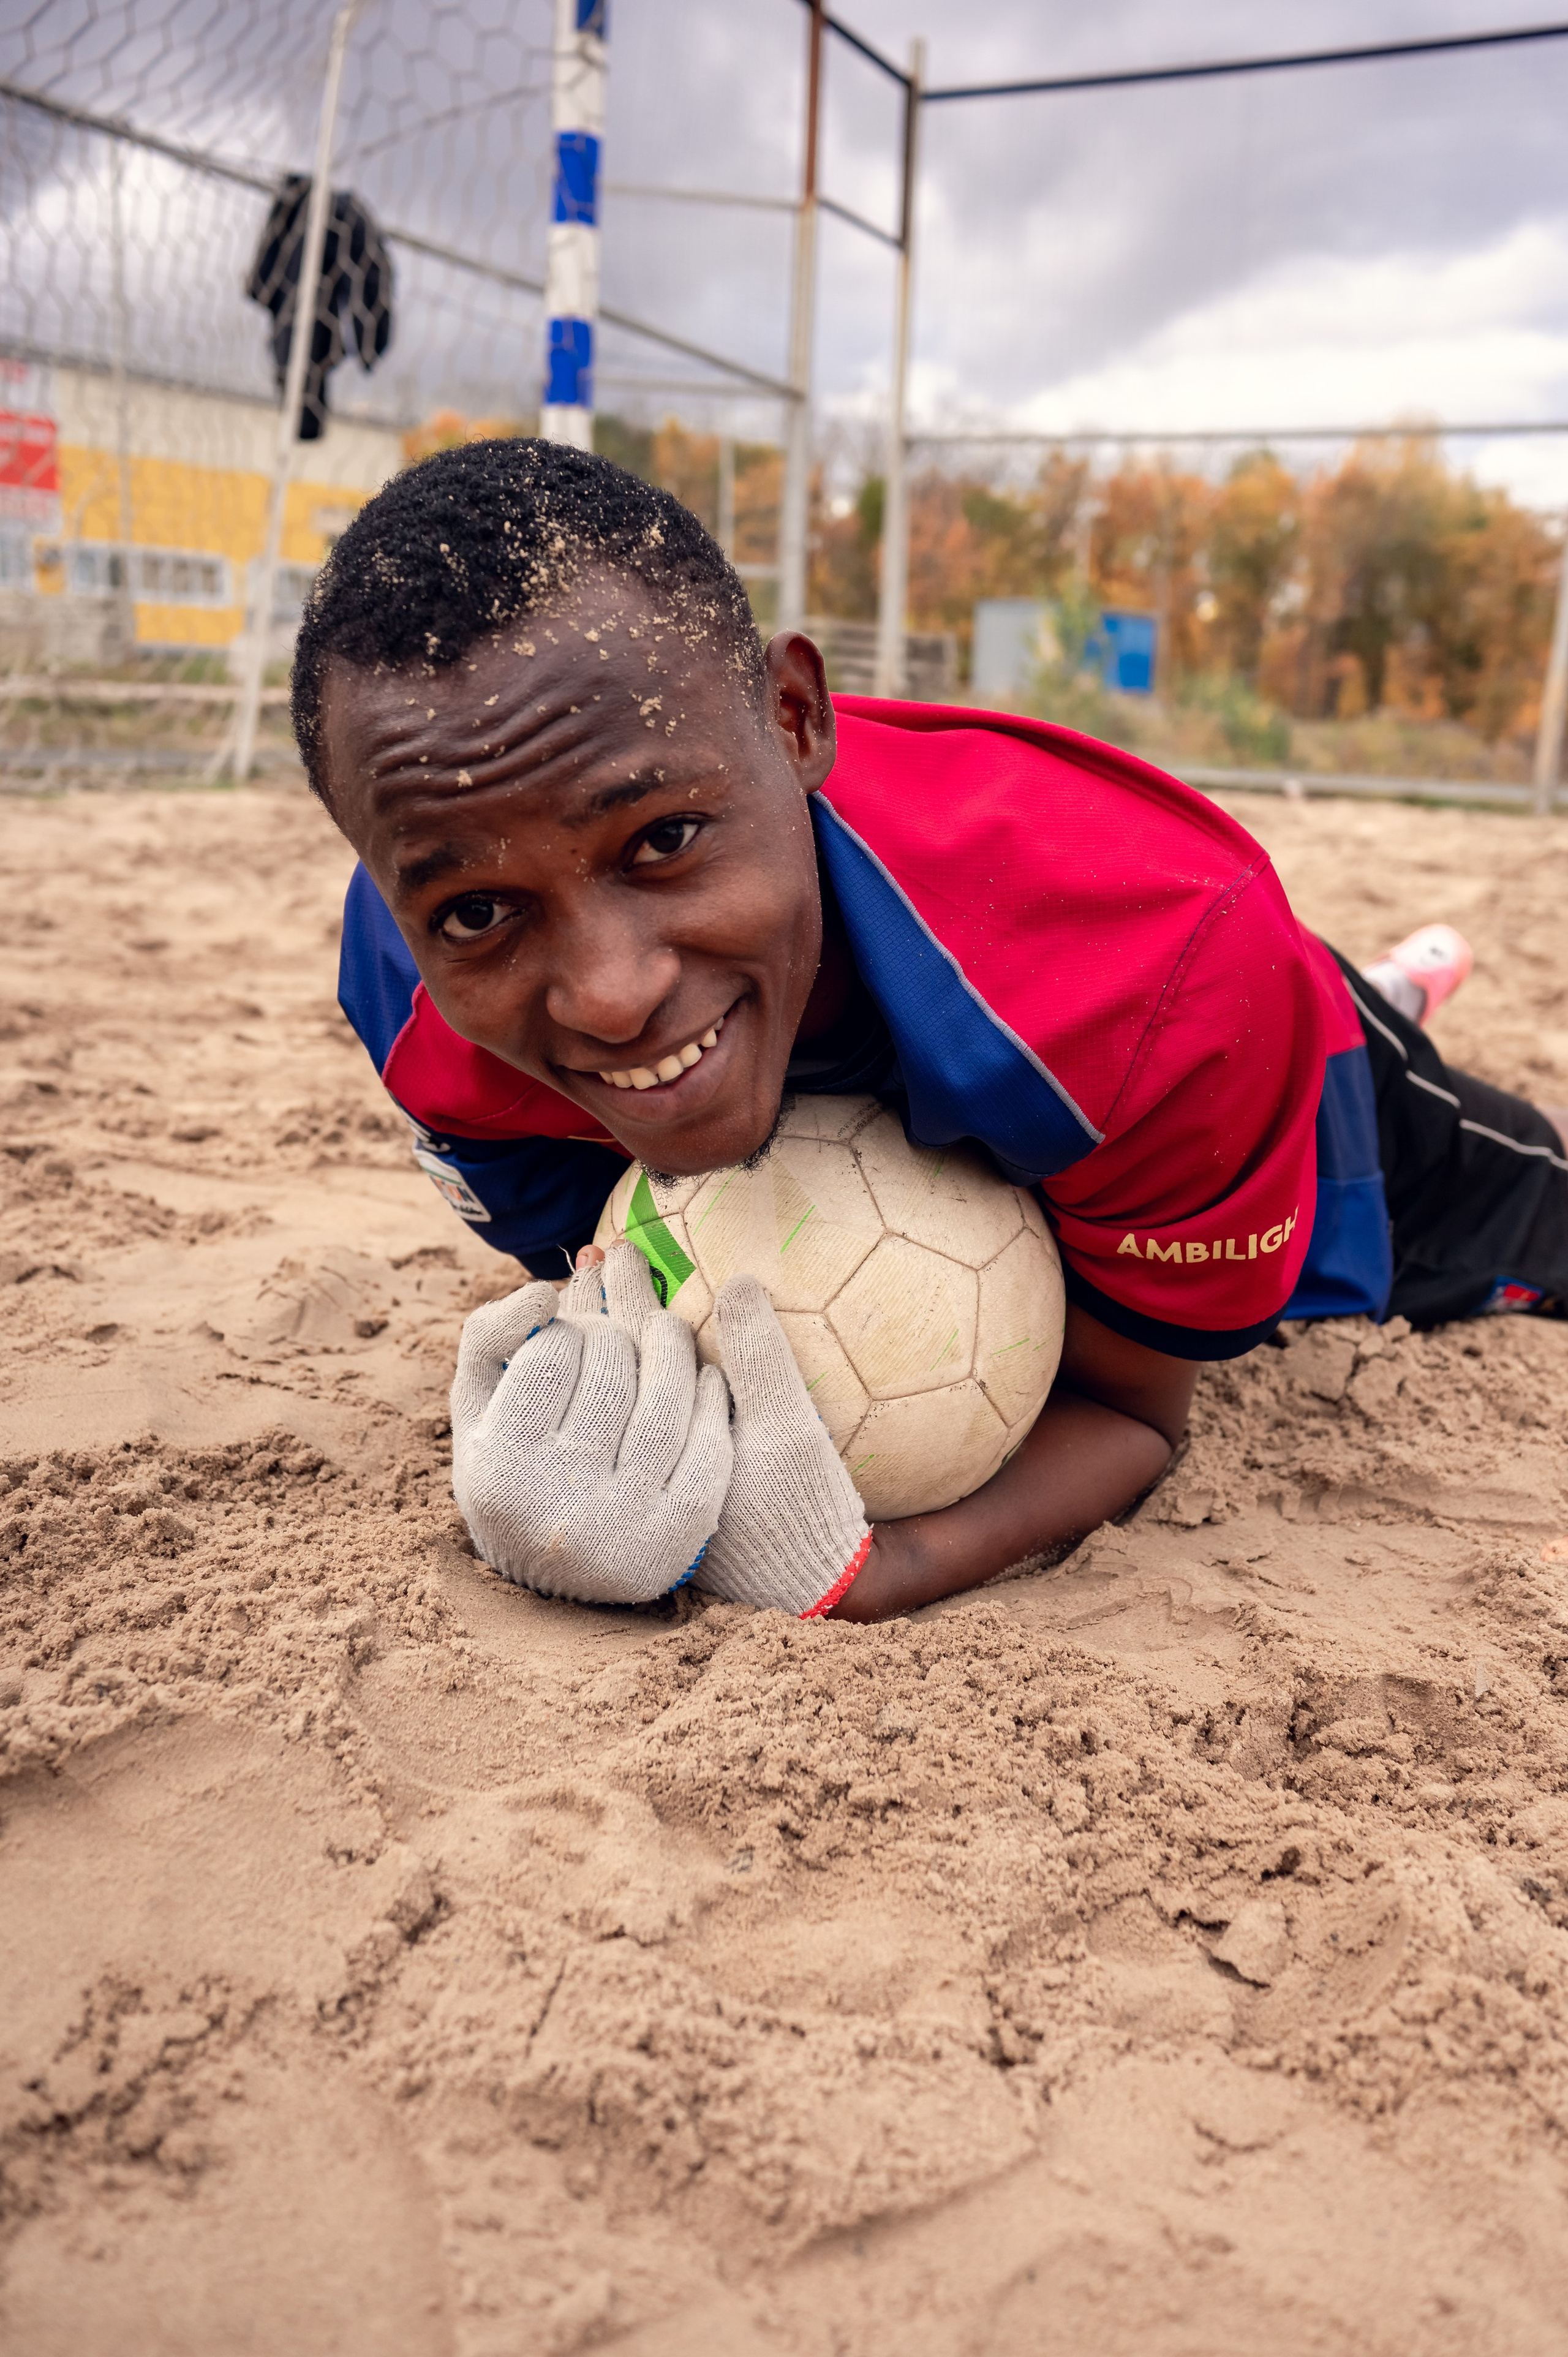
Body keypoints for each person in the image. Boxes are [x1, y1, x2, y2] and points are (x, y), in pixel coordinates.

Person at [290, 438, 1568, 1623]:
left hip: (1268, 1048)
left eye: (663, 840)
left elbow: (1131, 1409)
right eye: (477, 912)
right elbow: (617, 1284)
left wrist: (867, 1567)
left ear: (795, 719)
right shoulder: (412, 984)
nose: (610, 993)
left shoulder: (1152, 975)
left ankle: (1378, 1001)